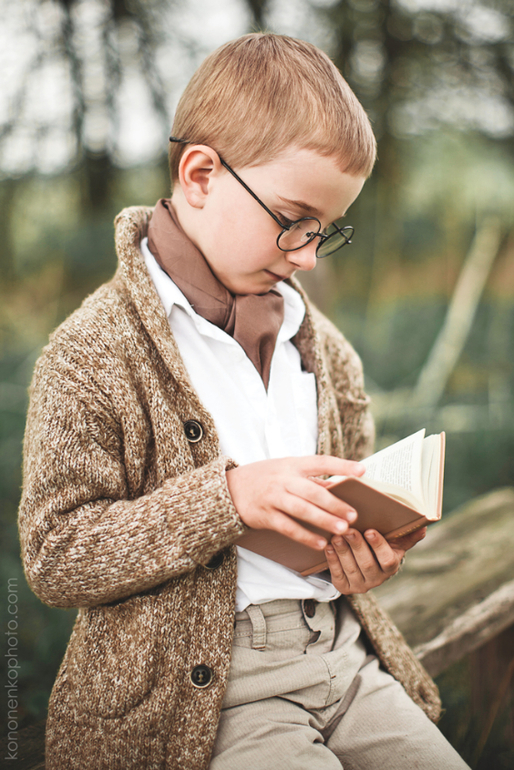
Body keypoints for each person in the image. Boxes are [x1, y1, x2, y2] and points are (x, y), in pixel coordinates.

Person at [18, 33, 469, 770]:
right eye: (293, 220)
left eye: (326, 231)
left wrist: (357, 560)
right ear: (200, 174)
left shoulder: (324, 348)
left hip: (346, 658)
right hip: (212, 692)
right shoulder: (89, 355)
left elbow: (337, 512)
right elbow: (56, 556)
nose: (307, 256)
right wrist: (225, 500)